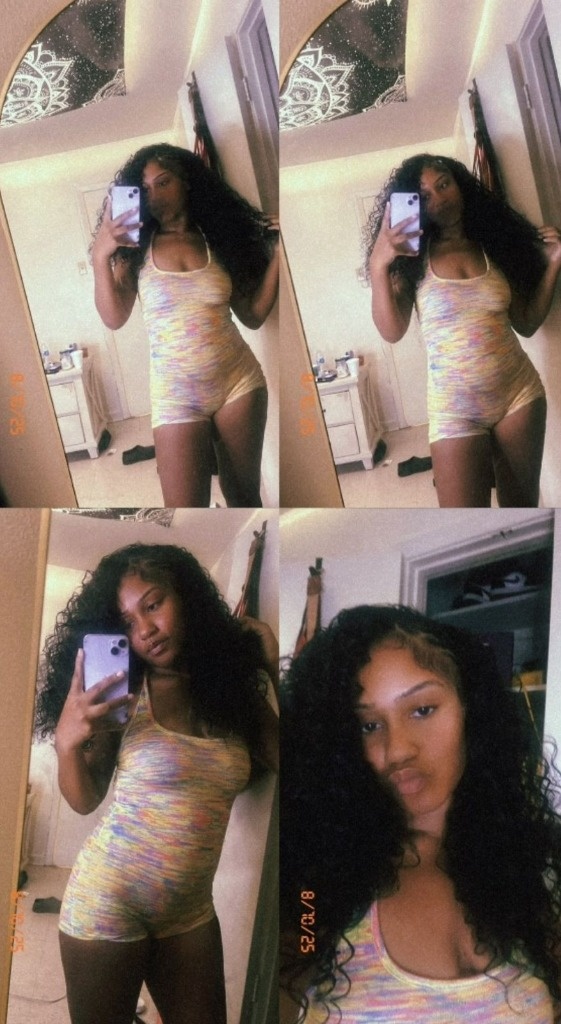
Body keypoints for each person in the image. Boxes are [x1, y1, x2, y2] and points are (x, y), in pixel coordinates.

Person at [280, 605, 561, 1023]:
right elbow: (292, 978)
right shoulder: (316, 886)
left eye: (422, 710)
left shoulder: (540, 866)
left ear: (470, 709)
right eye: (368, 726)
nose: (397, 750)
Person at [35, 542, 279, 1024]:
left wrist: (272, 668)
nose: (144, 629)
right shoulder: (125, 694)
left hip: (190, 912)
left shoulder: (232, 692)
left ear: (185, 597)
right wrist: (67, 745)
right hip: (108, 901)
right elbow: (84, 800)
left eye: (152, 605)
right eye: (127, 621)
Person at [365, 154, 561, 507]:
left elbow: (527, 322)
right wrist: (379, 265)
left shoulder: (494, 246)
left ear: (459, 184)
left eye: (444, 184)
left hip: (519, 396)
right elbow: (392, 331)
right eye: (424, 195)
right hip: (454, 411)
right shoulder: (410, 262)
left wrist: (553, 264)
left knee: (521, 509)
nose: (439, 198)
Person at [91, 143, 279, 507]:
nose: (154, 195)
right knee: (186, 511)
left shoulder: (218, 240)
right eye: (145, 189)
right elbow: (114, 317)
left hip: (238, 382)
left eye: (163, 182)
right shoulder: (134, 252)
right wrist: (101, 255)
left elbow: (253, 316)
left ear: (187, 182)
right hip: (175, 397)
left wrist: (278, 258)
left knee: (244, 498)